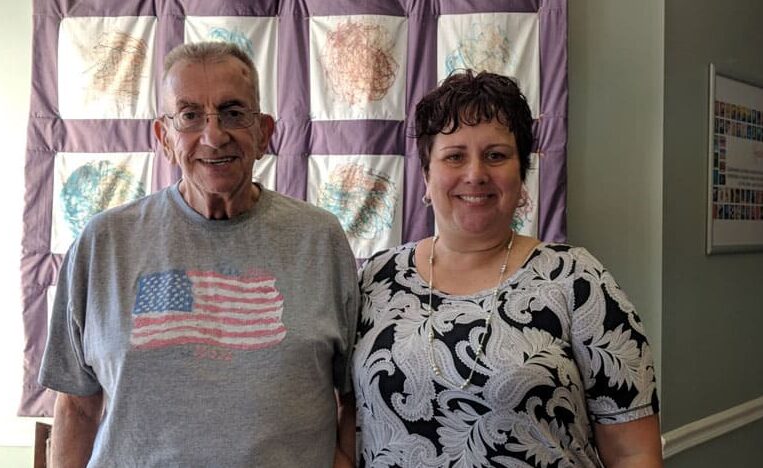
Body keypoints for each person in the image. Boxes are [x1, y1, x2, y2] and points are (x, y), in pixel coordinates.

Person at [39, 42, 358, 467]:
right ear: (164, 138)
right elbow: (76, 407)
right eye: (189, 116)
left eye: (233, 112)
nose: (213, 135)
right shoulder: (103, 243)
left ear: (264, 132)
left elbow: (354, 399)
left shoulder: (320, 240)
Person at [352, 70, 663, 467]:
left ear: (522, 176)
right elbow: (349, 423)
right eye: (454, 156)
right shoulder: (377, 279)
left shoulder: (577, 281)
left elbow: (634, 453)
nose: (475, 174)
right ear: (426, 176)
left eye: (496, 155)